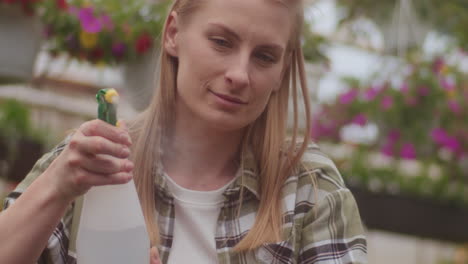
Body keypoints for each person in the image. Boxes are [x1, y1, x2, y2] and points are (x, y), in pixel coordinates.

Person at [0, 0, 368, 263]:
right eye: (222, 42)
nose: (240, 74)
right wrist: (55, 186)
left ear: (283, 69)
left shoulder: (308, 188)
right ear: (174, 33)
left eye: (265, 56)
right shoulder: (93, 162)